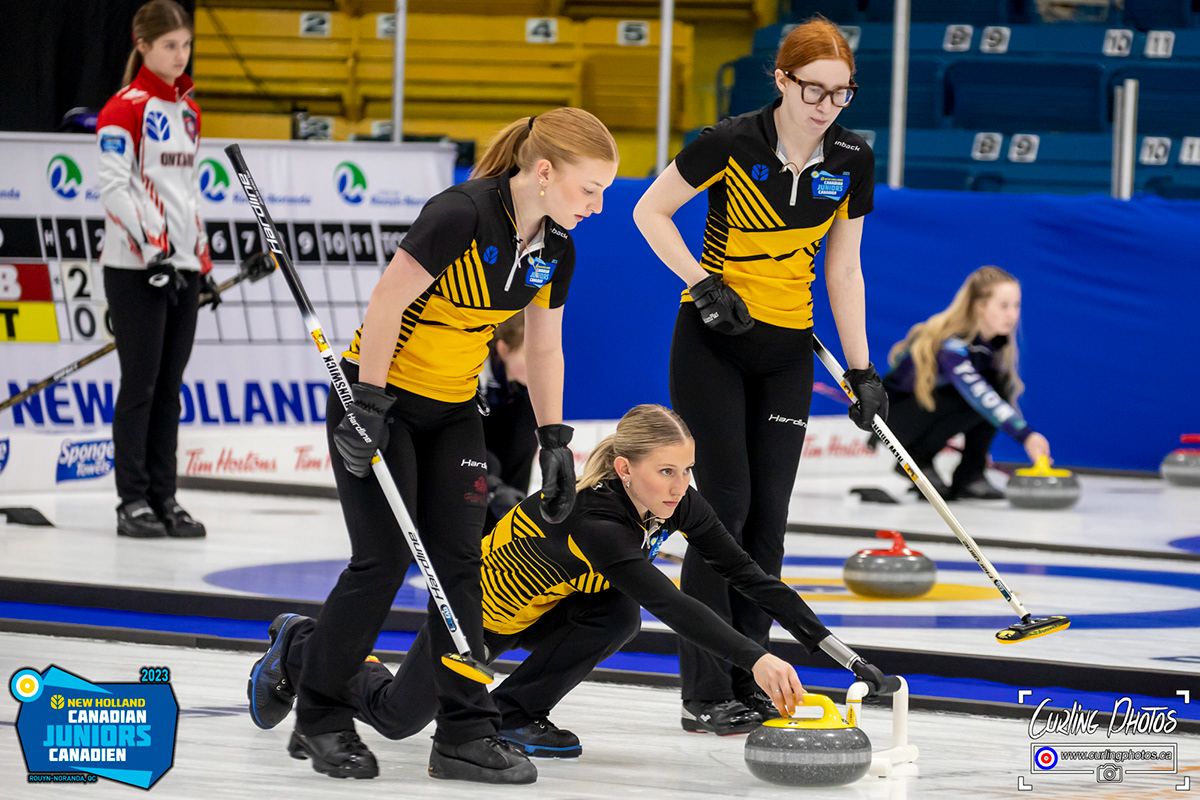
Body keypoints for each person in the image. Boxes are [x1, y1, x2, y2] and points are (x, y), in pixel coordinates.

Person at [247, 109, 619, 785]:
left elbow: (543, 344)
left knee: (460, 566)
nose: (597, 205)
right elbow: (388, 300)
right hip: (381, 402)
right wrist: (366, 402)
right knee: (382, 561)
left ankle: (462, 735)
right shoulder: (461, 213)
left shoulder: (555, 249)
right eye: (589, 189)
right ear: (544, 172)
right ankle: (322, 718)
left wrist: (555, 441)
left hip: (453, 412)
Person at [249, 405, 894, 758]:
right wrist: (756, 658)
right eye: (666, 472)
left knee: (615, 616)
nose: (681, 487)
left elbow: (747, 575)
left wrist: (838, 651)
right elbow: (673, 601)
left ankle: (518, 712)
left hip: (552, 606)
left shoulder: (678, 503)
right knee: (396, 721)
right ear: (624, 468)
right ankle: (301, 646)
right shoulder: (597, 520)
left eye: (686, 470)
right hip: (481, 614)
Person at [632, 16, 888, 733]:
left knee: (768, 524)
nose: (826, 106)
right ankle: (703, 691)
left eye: (841, 94)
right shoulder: (729, 144)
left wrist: (863, 368)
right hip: (714, 341)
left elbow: (844, 266)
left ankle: (753, 679)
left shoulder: (852, 159)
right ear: (781, 79)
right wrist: (700, 282)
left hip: (786, 352)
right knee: (724, 510)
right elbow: (649, 212)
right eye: (814, 90)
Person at [97, 0, 220, 540]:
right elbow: (114, 188)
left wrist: (202, 261)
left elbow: (185, 195)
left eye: (186, 44)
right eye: (169, 45)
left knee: (170, 388)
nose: (180, 54)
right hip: (136, 266)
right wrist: (156, 251)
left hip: (181, 266)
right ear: (142, 45)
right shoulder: (123, 108)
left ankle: (165, 497)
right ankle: (132, 501)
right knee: (141, 385)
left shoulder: (188, 111)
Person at [881, 266, 1052, 500]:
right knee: (979, 396)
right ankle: (916, 459)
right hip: (894, 416)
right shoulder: (952, 343)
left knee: (998, 386)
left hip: (924, 410)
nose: (1012, 315)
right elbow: (980, 395)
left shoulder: (992, 346)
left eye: (1016, 305)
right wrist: (1027, 435)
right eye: (1003, 306)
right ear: (980, 306)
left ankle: (971, 475)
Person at [479, 312, 538, 531]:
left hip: (492, 441)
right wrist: (492, 487)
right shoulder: (475, 373)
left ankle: (511, 520)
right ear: (503, 349)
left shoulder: (520, 391)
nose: (537, 364)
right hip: (454, 450)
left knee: (528, 419)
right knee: (490, 462)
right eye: (528, 355)